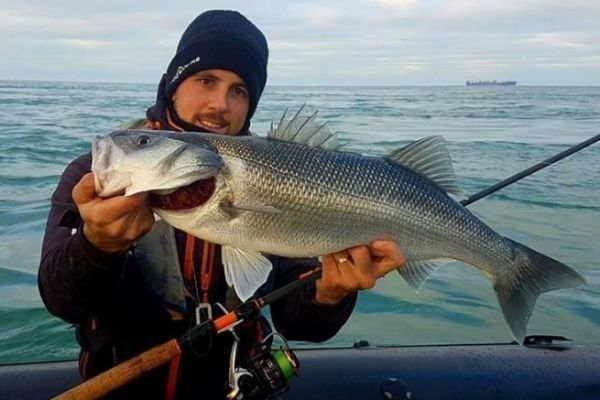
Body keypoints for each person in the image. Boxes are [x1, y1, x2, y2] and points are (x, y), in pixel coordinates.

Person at [38, 9, 406, 399]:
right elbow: (62, 301)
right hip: (123, 383)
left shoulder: (279, 172)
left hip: (234, 383)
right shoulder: (95, 174)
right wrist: (97, 246)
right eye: (206, 80)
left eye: (239, 91)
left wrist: (331, 295)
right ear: (172, 86)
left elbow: (301, 326)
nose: (220, 104)